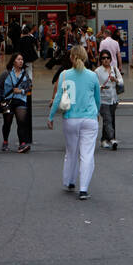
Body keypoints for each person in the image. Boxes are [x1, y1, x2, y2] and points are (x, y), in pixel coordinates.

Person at [46, 45, 101, 199]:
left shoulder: (64, 75)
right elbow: (97, 98)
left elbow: (58, 98)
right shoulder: (92, 76)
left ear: (71, 57)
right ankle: (83, 189)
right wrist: (97, 112)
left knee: (71, 151)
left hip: (71, 118)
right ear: (85, 57)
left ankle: (69, 180)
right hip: (89, 118)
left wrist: (51, 117)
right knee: (87, 154)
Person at [0, 52, 34, 152]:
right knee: (7, 122)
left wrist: (21, 91)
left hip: (21, 99)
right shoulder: (6, 73)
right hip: (8, 100)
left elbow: (29, 87)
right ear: (13, 61)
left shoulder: (25, 74)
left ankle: (22, 144)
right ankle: (5, 141)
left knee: (21, 122)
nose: (21, 61)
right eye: (18, 59)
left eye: (22, 59)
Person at [95, 50, 122, 150]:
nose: (106, 60)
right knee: (107, 119)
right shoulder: (97, 71)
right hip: (103, 99)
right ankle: (112, 139)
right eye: (103, 58)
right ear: (101, 60)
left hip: (113, 99)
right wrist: (99, 87)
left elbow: (121, 82)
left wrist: (115, 80)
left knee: (110, 120)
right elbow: (94, 85)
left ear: (110, 59)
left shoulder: (114, 69)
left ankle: (103, 140)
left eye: (107, 58)